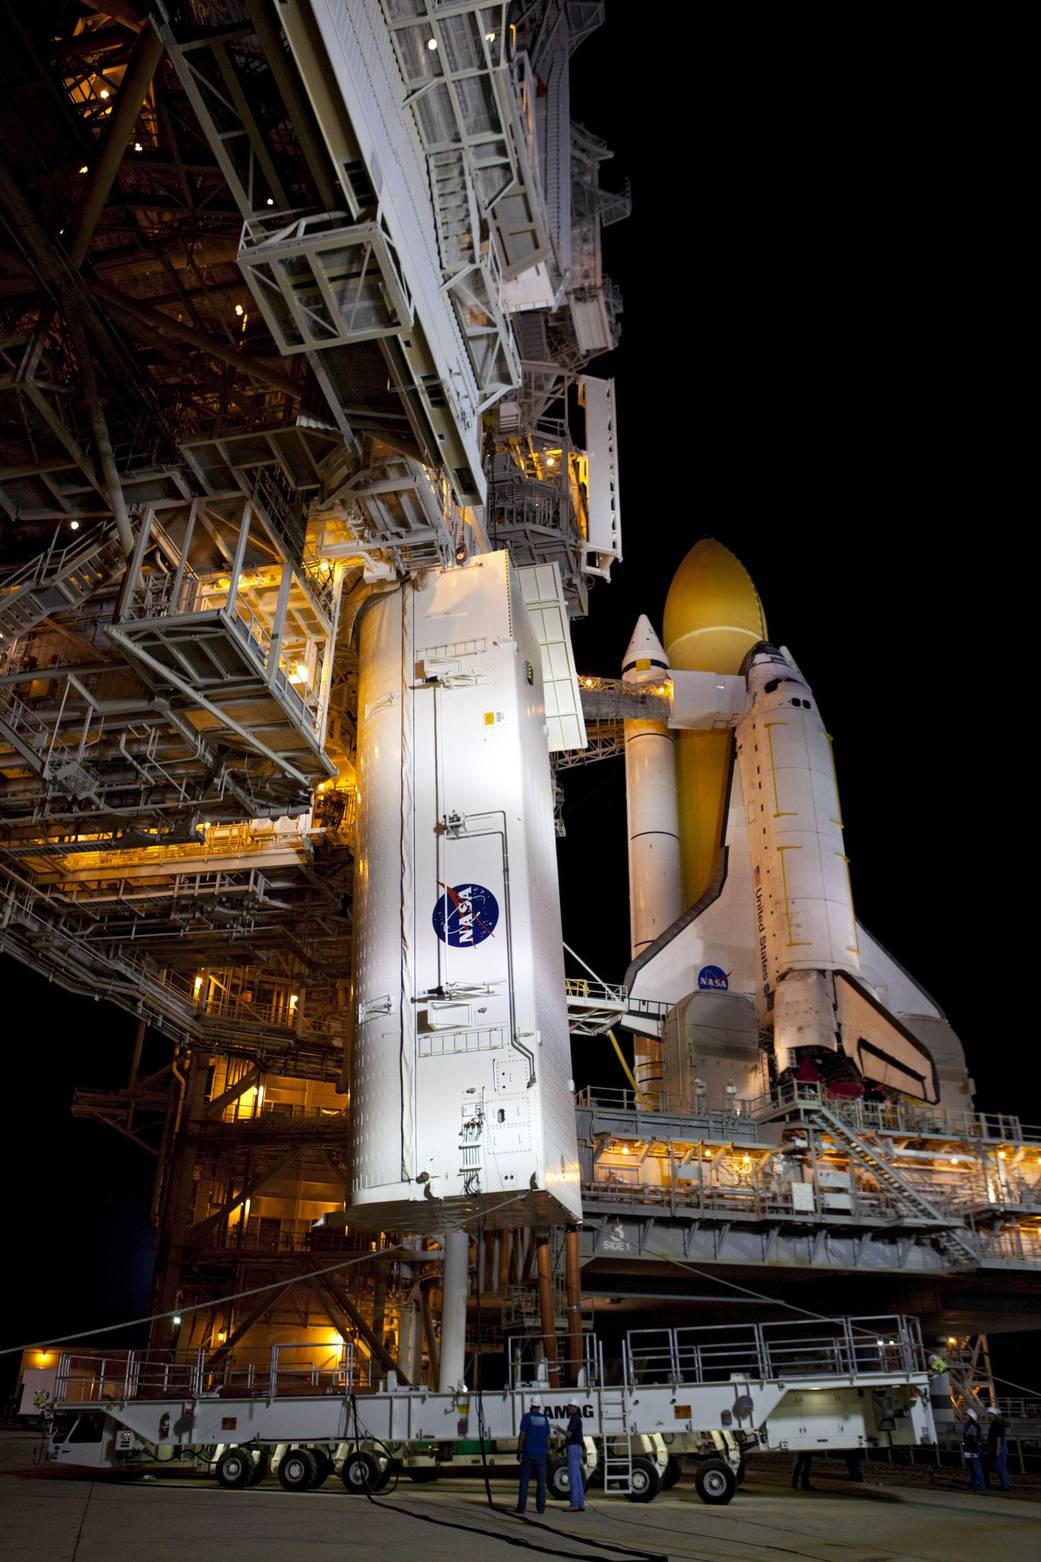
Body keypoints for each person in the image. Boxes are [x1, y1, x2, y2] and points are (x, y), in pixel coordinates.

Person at [515, 1400, 551, 1514]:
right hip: (541, 1454)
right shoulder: (544, 1419)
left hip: (528, 1453)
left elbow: (522, 1434)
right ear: (539, 1406)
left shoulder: (526, 1417)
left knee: (525, 1481)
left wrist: (519, 1450)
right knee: (541, 1482)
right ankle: (541, 1509)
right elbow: (548, 1437)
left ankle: (521, 1508)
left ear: (531, 1406)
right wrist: (548, 1451)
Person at [564, 1400, 585, 1511]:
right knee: (577, 1477)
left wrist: (558, 1428)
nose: (568, 1408)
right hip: (577, 1448)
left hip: (572, 1448)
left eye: (570, 1406)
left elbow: (569, 1434)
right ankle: (580, 1503)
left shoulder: (574, 1419)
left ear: (575, 1408)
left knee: (573, 1477)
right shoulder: (577, 1419)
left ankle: (574, 1504)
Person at [984, 1406, 1011, 1491]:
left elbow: (998, 1437)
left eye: (988, 1414)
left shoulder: (996, 1424)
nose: (987, 1416)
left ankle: (1005, 1486)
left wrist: (997, 1449)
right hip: (999, 1446)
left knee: (1000, 1467)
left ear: (992, 1414)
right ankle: (1005, 1484)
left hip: (998, 1447)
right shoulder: (997, 1423)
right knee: (1000, 1466)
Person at [962, 1408, 985, 1492]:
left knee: (976, 1468)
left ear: (970, 1416)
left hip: (973, 1449)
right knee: (973, 1468)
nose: (965, 1416)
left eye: (966, 1415)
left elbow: (974, 1439)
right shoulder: (970, 1425)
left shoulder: (971, 1426)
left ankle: (981, 1486)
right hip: (972, 1448)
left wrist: (973, 1449)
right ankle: (973, 1485)